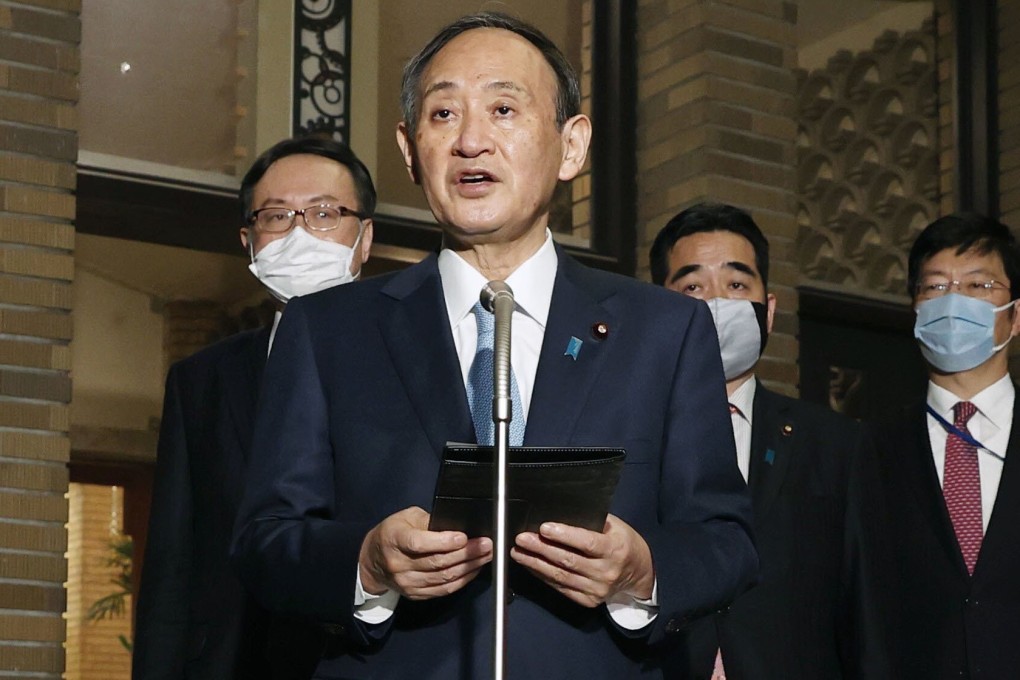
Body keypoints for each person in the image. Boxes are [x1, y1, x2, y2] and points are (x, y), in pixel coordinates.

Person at [231, 12, 756, 680]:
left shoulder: (664, 331)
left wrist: (641, 570)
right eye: (443, 114)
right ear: (409, 148)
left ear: (571, 147)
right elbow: (265, 543)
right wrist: (365, 562)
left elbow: (727, 542)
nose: (471, 140)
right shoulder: (327, 330)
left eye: (504, 108)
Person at [132, 136, 375, 679]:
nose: (299, 234)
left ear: (364, 238)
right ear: (248, 240)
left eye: (324, 213)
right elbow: (173, 566)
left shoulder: (416, 360)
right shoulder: (201, 381)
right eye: (276, 217)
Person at [649, 203, 864, 679]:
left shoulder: (837, 445)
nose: (717, 302)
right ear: (657, 309)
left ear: (768, 311)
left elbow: (864, 605)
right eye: (692, 287)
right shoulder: (625, 438)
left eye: (737, 284)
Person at [863, 213, 1020, 679]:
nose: (954, 301)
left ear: (1015, 315)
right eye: (935, 287)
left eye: (979, 286)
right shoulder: (867, 450)